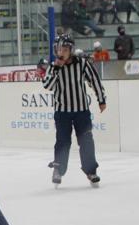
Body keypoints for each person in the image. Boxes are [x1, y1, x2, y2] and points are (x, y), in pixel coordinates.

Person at [42, 34, 107, 187]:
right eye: (59, 50)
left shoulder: (82, 64)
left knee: (86, 140)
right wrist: (57, 67)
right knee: (63, 142)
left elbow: (94, 80)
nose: (61, 53)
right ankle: (58, 169)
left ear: (70, 50)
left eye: (65, 49)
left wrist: (101, 99)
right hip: (62, 112)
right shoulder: (53, 66)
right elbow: (48, 86)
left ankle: (91, 171)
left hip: (81, 111)